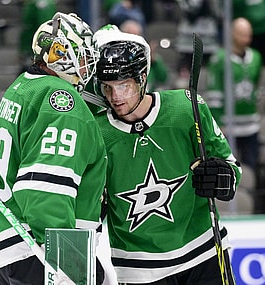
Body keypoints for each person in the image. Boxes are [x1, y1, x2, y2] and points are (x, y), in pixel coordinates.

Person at [92, 26, 241, 284]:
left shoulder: (187, 108)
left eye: (124, 86)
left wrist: (223, 177)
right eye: (108, 88)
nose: (115, 97)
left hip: (203, 253)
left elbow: (231, 166)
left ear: (141, 79)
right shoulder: (97, 131)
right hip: (139, 268)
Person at [0, 12, 107, 285]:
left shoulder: (22, 87)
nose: (87, 65)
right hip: (34, 250)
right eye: (81, 55)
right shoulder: (62, 100)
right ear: (61, 56)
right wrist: (68, 262)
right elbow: (44, 188)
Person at [204, 18, 262, 175]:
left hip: (251, 124)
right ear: (232, 33)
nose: (246, 38)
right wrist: (218, 123)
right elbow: (214, 94)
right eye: (242, 34)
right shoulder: (219, 59)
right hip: (228, 126)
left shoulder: (256, 56)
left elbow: (256, 86)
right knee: (229, 170)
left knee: (252, 168)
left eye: (249, 34)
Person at [119, 19, 169, 91]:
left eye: (138, 36)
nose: (135, 41)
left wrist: (153, 60)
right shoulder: (116, 57)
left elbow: (163, 78)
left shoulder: (149, 56)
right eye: (131, 37)